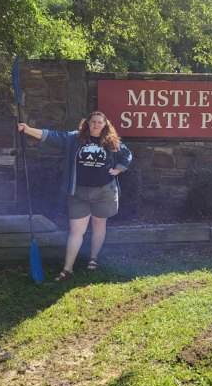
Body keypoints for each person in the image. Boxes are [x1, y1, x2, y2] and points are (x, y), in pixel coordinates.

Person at [17, 111, 132, 281]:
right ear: (87, 123)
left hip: (104, 191)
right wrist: (27, 130)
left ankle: (93, 257)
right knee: (76, 231)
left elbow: (127, 155)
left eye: (100, 122)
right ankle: (67, 268)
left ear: (105, 125)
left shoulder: (112, 142)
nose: (96, 125)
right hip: (78, 193)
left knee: (99, 225)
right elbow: (51, 136)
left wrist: (118, 169)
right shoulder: (74, 139)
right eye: (93, 121)